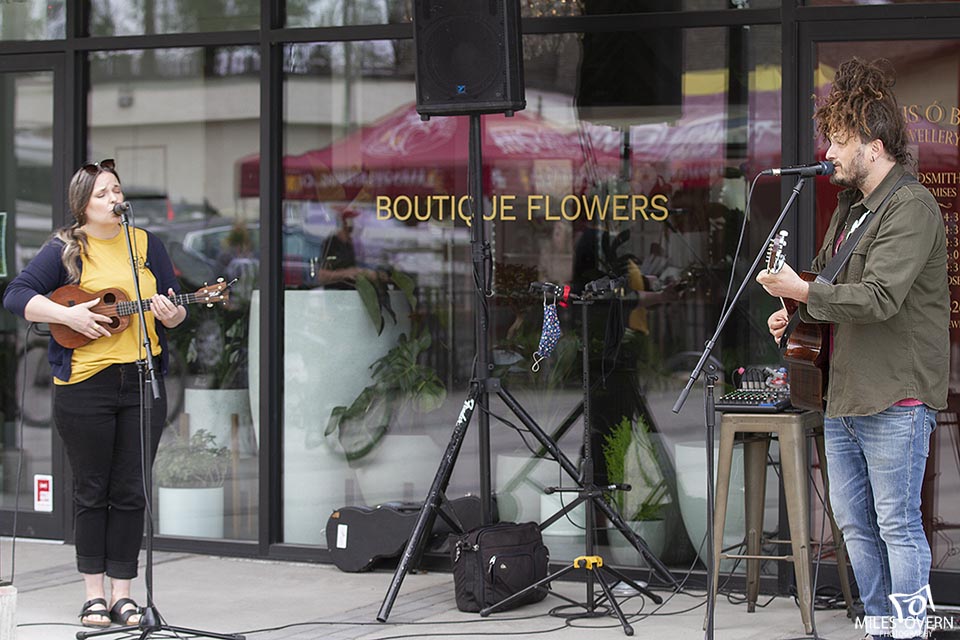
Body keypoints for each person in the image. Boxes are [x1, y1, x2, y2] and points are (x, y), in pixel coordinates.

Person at [756, 58, 948, 640]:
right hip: (844, 392)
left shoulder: (910, 207)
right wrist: (794, 308)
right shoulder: (849, 209)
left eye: (838, 140)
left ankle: (911, 632)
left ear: (874, 143)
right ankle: (878, 626)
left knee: (895, 524)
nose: (829, 152)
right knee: (854, 526)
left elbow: (880, 297)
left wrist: (805, 289)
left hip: (894, 394)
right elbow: (831, 284)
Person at [2, 159, 187, 628]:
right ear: (82, 203)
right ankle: (93, 596)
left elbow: (176, 307)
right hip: (85, 385)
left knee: (131, 490)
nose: (113, 199)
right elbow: (17, 294)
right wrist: (69, 317)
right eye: (103, 193)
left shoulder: (145, 244)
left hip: (142, 378)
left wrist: (170, 315)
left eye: (117, 191)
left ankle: (125, 595)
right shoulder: (66, 248)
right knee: (91, 490)